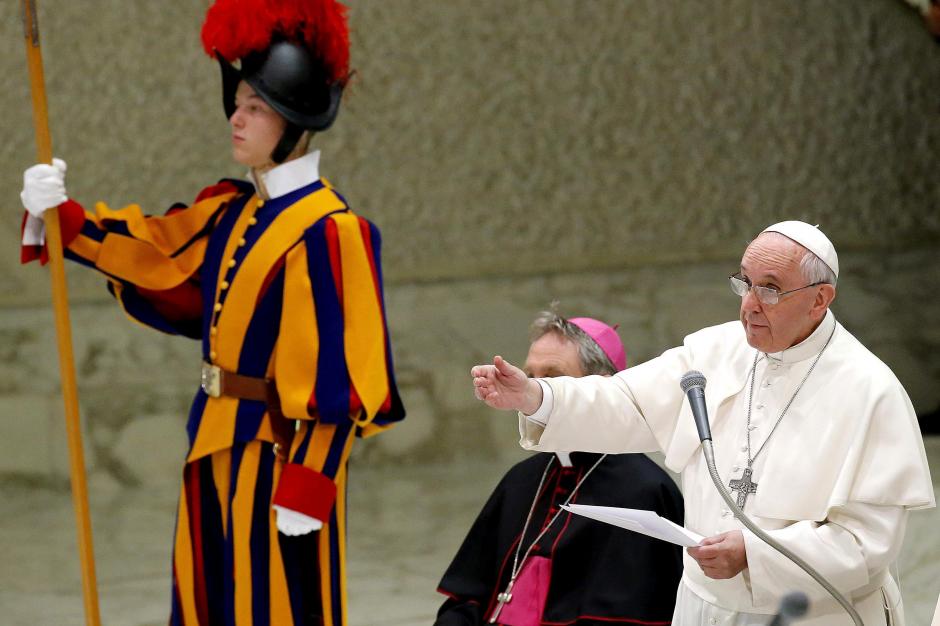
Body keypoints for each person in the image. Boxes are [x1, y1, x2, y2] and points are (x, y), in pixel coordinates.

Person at [18, 1, 404, 624]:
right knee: (206, 606)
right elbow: (158, 257)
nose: (237, 118)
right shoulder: (232, 211)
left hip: (277, 456)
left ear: (293, 120)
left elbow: (342, 375)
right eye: (239, 102)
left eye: (256, 107)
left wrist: (311, 482)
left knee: (275, 608)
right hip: (213, 441)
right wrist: (62, 216)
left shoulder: (331, 230)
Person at [470, 222, 935, 625]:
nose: (750, 304)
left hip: (812, 613)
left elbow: (864, 542)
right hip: (704, 606)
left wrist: (753, 555)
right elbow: (625, 401)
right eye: (745, 283)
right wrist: (535, 396)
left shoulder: (869, 389)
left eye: (770, 289)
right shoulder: (714, 351)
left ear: (819, 299)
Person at [436, 310, 684, 626]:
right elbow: (468, 597)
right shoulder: (522, 479)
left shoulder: (644, 491)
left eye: (552, 377)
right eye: (529, 374)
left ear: (601, 389)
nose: (532, 388)